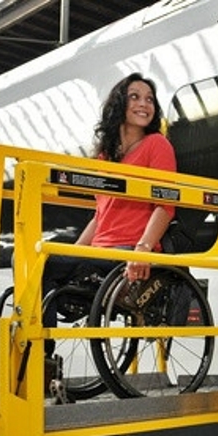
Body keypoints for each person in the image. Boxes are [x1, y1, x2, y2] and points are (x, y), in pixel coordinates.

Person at [40, 72, 176, 353]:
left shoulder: (157, 145)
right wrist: (76, 252)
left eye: (149, 99)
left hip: (128, 248)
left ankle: (41, 355)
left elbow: (166, 203)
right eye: (135, 97)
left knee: (41, 263)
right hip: (100, 250)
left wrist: (143, 250)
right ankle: (36, 351)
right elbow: (101, 214)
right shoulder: (104, 157)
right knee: (34, 260)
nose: (144, 104)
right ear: (119, 104)